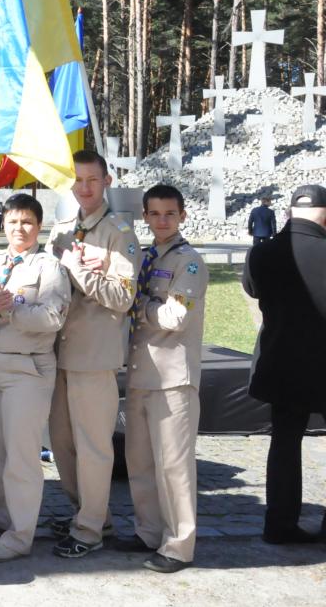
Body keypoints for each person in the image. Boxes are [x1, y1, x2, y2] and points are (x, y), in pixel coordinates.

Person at [0, 193, 71, 562]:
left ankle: (20, 534)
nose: (19, 228)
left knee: (22, 456)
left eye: (27, 222)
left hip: (29, 369)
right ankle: (0, 514)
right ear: (2, 225)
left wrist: (12, 306)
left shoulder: (49, 268)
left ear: (39, 227)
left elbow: (53, 319)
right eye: (12, 221)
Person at [45, 149, 140, 557]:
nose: (84, 188)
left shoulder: (119, 233)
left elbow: (122, 297)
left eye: (92, 180)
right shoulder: (61, 231)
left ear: (107, 183)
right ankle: (86, 512)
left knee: (93, 445)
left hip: (94, 354)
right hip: (56, 350)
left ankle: (90, 530)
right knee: (61, 443)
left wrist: (80, 272)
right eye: (79, 181)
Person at [117, 183, 207, 573]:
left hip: (172, 378)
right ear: (145, 217)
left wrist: (141, 305)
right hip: (141, 373)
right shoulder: (146, 257)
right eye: (154, 214)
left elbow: (175, 317)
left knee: (173, 466)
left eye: (170, 213)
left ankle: (178, 544)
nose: (162, 220)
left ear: (183, 215)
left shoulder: (189, 262)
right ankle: (149, 531)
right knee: (139, 461)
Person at [244, 184, 326, 545]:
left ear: (291, 212)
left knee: (285, 443)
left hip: (282, 360)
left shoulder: (262, 253)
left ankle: (279, 523)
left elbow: (253, 290)